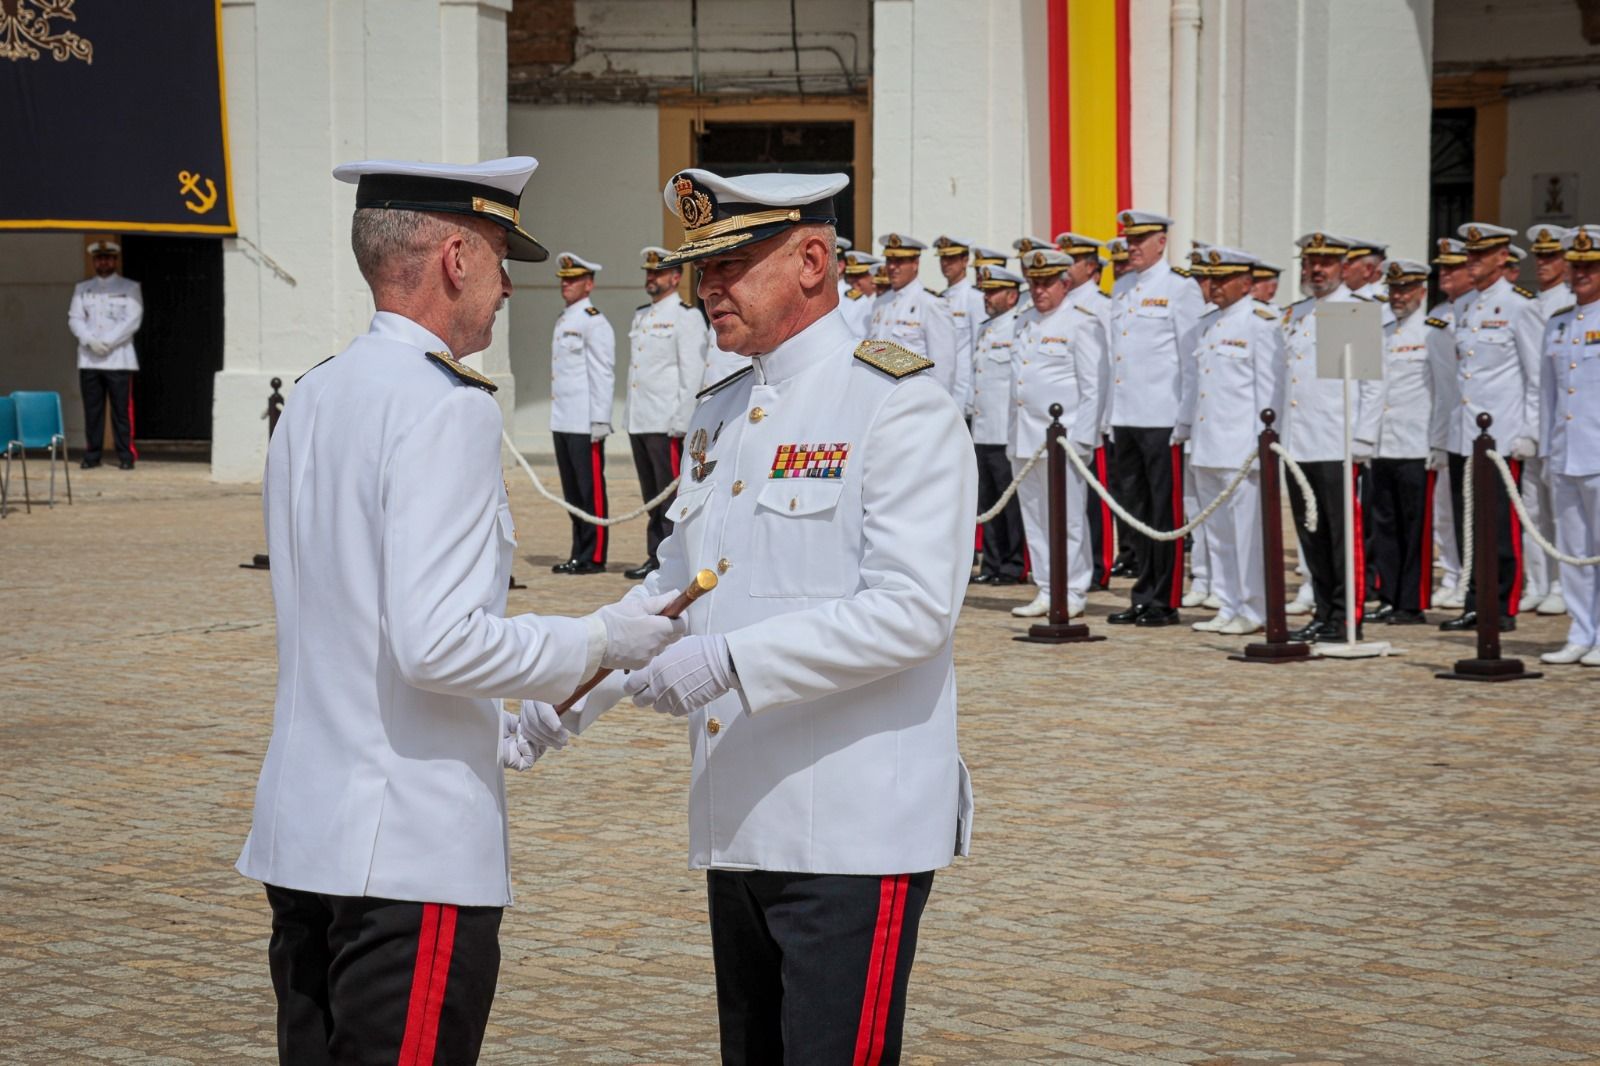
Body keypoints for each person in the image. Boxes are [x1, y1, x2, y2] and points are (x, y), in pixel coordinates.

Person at [236, 156, 685, 1065]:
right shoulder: (446, 409)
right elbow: (436, 645)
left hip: (304, 833)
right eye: (498, 256)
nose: (509, 286)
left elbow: (358, 616)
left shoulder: (318, 392)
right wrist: (602, 637)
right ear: (453, 258)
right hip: (408, 848)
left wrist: (506, 715)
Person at [572, 167, 976, 1065]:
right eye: (700, 268)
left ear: (811, 259)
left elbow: (913, 612)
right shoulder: (722, 410)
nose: (708, 287)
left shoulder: (897, 402)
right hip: (742, 817)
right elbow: (676, 589)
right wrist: (566, 690)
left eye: (733, 262)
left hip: (852, 828)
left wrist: (732, 664)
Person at [1436, 221, 1543, 633]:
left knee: (1499, 526)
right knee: (1469, 525)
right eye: (1470, 255)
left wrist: (1528, 431)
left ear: (1503, 258)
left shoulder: (1520, 306)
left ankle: (1502, 604)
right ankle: (1475, 600)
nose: (1472, 262)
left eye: (1481, 255)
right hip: (1465, 433)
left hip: (1502, 435)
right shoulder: (1463, 307)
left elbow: (1534, 377)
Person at [1280, 232, 1384, 642]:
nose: (1316, 270)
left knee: (1342, 537)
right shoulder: (1295, 313)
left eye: (1324, 262)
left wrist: (1363, 439)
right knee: (1312, 536)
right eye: (1310, 262)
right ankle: (1324, 611)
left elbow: (1372, 385)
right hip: (1298, 442)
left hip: (1335, 441)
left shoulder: (1353, 312)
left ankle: (1346, 616)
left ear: (1343, 267)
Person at [1176, 246, 1284, 635]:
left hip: (1242, 448)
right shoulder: (1206, 326)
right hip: (1207, 444)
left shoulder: (1262, 323)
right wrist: (1185, 427)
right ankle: (1227, 603)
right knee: (1218, 534)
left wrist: (1264, 445)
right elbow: (1194, 386)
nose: (1215, 287)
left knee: (1246, 535)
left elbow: (1270, 393)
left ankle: (1254, 608)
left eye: (1223, 280)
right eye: (1211, 279)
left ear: (1246, 282)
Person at [1106, 209, 1204, 627]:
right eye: (1129, 240)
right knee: (1134, 513)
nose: (1133, 247)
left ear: (1161, 241)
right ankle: (1142, 593)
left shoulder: (1181, 288)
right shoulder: (1123, 286)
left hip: (1162, 417)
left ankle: (1164, 599)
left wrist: (1185, 419)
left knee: (1164, 514)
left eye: (1141, 239)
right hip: (1126, 415)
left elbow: (1190, 359)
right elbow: (1117, 356)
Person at [1009, 243, 1107, 620]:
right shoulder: (1022, 320)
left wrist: (1082, 439)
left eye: (1047, 283)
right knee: (1035, 517)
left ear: (1065, 283)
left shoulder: (1081, 321)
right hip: (1025, 438)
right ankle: (1047, 587)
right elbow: (1016, 387)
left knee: (1067, 518)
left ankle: (1074, 588)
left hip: (1062, 438)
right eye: (1034, 283)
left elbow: (1092, 386)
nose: (1039, 291)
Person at [1368, 259, 1450, 625]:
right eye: (1394, 289)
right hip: (1384, 442)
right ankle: (1388, 595)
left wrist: (1439, 441)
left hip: (1417, 443)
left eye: (1406, 289)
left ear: (1422, 291)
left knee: (1415, 526)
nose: (1398, 296)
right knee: (1384, 524)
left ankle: (1412, 601)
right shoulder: (1382, 331)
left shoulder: (1433, 332)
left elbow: (1445, 391)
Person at [623, 246, 706, 579]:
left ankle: (673, 560)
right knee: (650, 495)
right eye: (648, 272)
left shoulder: (686, 316)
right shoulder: (641, 315)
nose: (651, 278)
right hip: (640, 418)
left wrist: (682, 419)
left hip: (666, 419)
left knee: (668, 495)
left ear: (675, 276)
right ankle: (655, 556)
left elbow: (692, 371)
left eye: (658, 273)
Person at [1537, 225, 1600, 666]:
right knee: (1574, 553)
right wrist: (1546, 451)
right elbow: (1548, 396)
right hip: (1566, 452)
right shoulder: (1558, 323)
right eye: (1576, 266)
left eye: (1590, 266)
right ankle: (1581, 631)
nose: (1580, 274)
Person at [549, 252, 616, 574]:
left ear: (588, 284)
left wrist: (600, 418)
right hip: (563, 418)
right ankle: (579, 551)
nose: (566, 284)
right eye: (564, 279)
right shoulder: (565, 319)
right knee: (573, 492)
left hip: (585, 420)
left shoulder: (593, 321)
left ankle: (595, 555)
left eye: (573, 279)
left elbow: (603, 372)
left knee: (591, 492)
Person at [1521, 224, 1573, 616]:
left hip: (1562, 421)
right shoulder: (1530, 306)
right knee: (1533, 509)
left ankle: (1559, 582)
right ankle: (1537, 581)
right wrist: (1527, 427)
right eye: (1539, 257)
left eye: (1551, 257)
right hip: (1532, 417)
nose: (1543, 264)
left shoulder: (1571, 305)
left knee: (1562, 510)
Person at [970, 264, 1028, 586]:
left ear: (1012, 295)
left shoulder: (1018, 327)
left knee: (1010, 503)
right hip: (983, 428)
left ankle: (1013, 564)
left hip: (1006, 430)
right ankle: (991, 563)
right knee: (988, 501)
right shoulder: (985, 329)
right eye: (986, 291)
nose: (987, 297)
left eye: (994, 292)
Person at [1428, 237, 1475, 610]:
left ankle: (1473, 580)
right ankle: (1453, 572)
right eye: (1442, 267)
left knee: (1478, 512)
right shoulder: (1439, 315)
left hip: (1481, 428)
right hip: (1450, 424)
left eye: (1453, 267)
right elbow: (1440, 385)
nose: (1445, 273)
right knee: (1447, 510)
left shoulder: (1481, 310)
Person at [67, 240, 142, 470]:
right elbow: (75, 318)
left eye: (108, 258)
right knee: (92, 411)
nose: (104, 262)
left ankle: (126, 455)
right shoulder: (83, 289)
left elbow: (132, 320)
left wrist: (107, 342)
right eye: (99, 258)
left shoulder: (129, 287)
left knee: (121, 412)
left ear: (115, 260)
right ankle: (92, 454)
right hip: (90, 359)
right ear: (94, 261)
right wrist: (89, 340)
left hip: (118, 358)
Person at [869, 232, 962, 404]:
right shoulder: (880, 304)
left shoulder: (931, 304)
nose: (892, 267)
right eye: (890, 260)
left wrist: (936, 409)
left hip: (914, 402)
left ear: (915, 264)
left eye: (900, 261)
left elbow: (943, 369)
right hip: (880, 401)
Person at [934, 234, 983, 418]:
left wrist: (972, 397)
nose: (946, 263)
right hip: (942, 386)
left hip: (963, 390)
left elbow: (978, 351)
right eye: (943, 258)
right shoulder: (940, 298)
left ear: (965, 261)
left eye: (952, 258)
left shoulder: (974, 298)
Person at [839, 249, 883, 340]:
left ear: (874, 276)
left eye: (860, 276)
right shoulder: (852, 299)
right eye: (851, 276)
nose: (854, 282)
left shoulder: (882, 302)